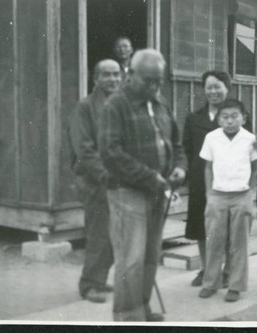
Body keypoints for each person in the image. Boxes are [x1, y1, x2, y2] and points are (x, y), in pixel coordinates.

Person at [99, 49, 187, 321]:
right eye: (148, 80)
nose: (154, 86)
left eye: (158, 81)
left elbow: (177, 144)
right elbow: (111, 153)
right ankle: (127, 317)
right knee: (131, 259)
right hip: (128, 193)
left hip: (157, 192)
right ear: (131, 74)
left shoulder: (160, 102)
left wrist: (180, 168)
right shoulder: (116, 105)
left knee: (151, 255)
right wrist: (150, 177)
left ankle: (142, 309)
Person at [183, 71, 254, 288]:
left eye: (218, 87)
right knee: (202, 228)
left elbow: (248, 149)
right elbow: (187, 149)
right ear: (204, 90)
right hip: (202, 180)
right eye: (209, 87)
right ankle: (207, 270)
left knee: (231, 230)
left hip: (232, 182)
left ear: (227, 88)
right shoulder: (194, 118)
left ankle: (228, 271)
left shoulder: (239, 116)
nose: (213, 91)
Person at [198, 99, 257, 302]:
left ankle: (236, 286)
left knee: (239, 243)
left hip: (241, 196)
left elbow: (256, 169)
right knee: (214, 241)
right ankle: (210, 283)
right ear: (218, 119)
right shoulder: (211, 138)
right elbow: (208, 167)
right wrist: (209, 194)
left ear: (243, 117)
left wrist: (250, 194)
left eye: (234, 116)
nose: (229, 121)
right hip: (217, 195)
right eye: (224, 117)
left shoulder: (252, 139)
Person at [68, 59, 122, 303]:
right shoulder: (85, 107)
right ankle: (89, 285)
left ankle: (99, 279)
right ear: (96, 79)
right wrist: (105, 175)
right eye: (107, 75)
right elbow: (84, 148)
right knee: (99, 233)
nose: (113, 79)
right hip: (94, 180)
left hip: (119, 180)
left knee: (115, 234)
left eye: (116, 74)